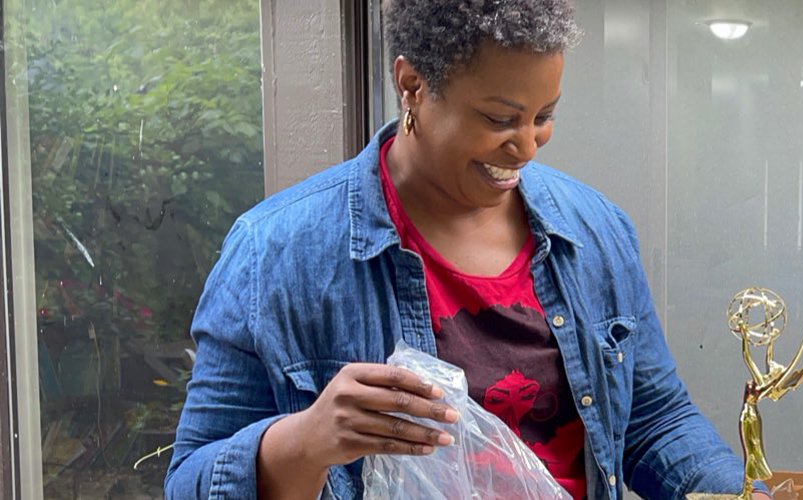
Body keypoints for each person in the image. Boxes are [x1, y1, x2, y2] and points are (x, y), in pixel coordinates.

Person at [165, 1, 765, 499]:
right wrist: (308, 440)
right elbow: (191, 480)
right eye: (499, 118)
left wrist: (739, 491)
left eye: (544, 116)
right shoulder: (274, 253)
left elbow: (655, 422)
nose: (527, 146)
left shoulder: (596, 231)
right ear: (413, 86)